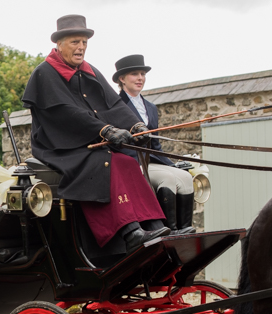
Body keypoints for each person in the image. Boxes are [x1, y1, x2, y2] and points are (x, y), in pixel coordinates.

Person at [21, 14, 170, 254]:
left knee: (128, 162)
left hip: (90, 141)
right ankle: (131, 232)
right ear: (59, 44)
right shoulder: (45, 72)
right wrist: (105, 130)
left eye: (84, 42)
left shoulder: (89, 70)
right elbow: (64, 113)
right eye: (74, 42)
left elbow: (113, 105)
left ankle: (156, 226)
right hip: (60, 147)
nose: (81, 47)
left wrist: (136, 126)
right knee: (108, 162)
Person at [113, 54, 195, 234]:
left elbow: (156, 146)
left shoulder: (151, 107)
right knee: (168, 179)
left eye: (142, 74)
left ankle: (185, 229)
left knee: (185, 177)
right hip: (132, 164)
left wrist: (173, 165)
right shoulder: (115, 106)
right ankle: (169, 230)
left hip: (151, 161)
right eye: (135, 74)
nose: (140, 78)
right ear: (122, 78)